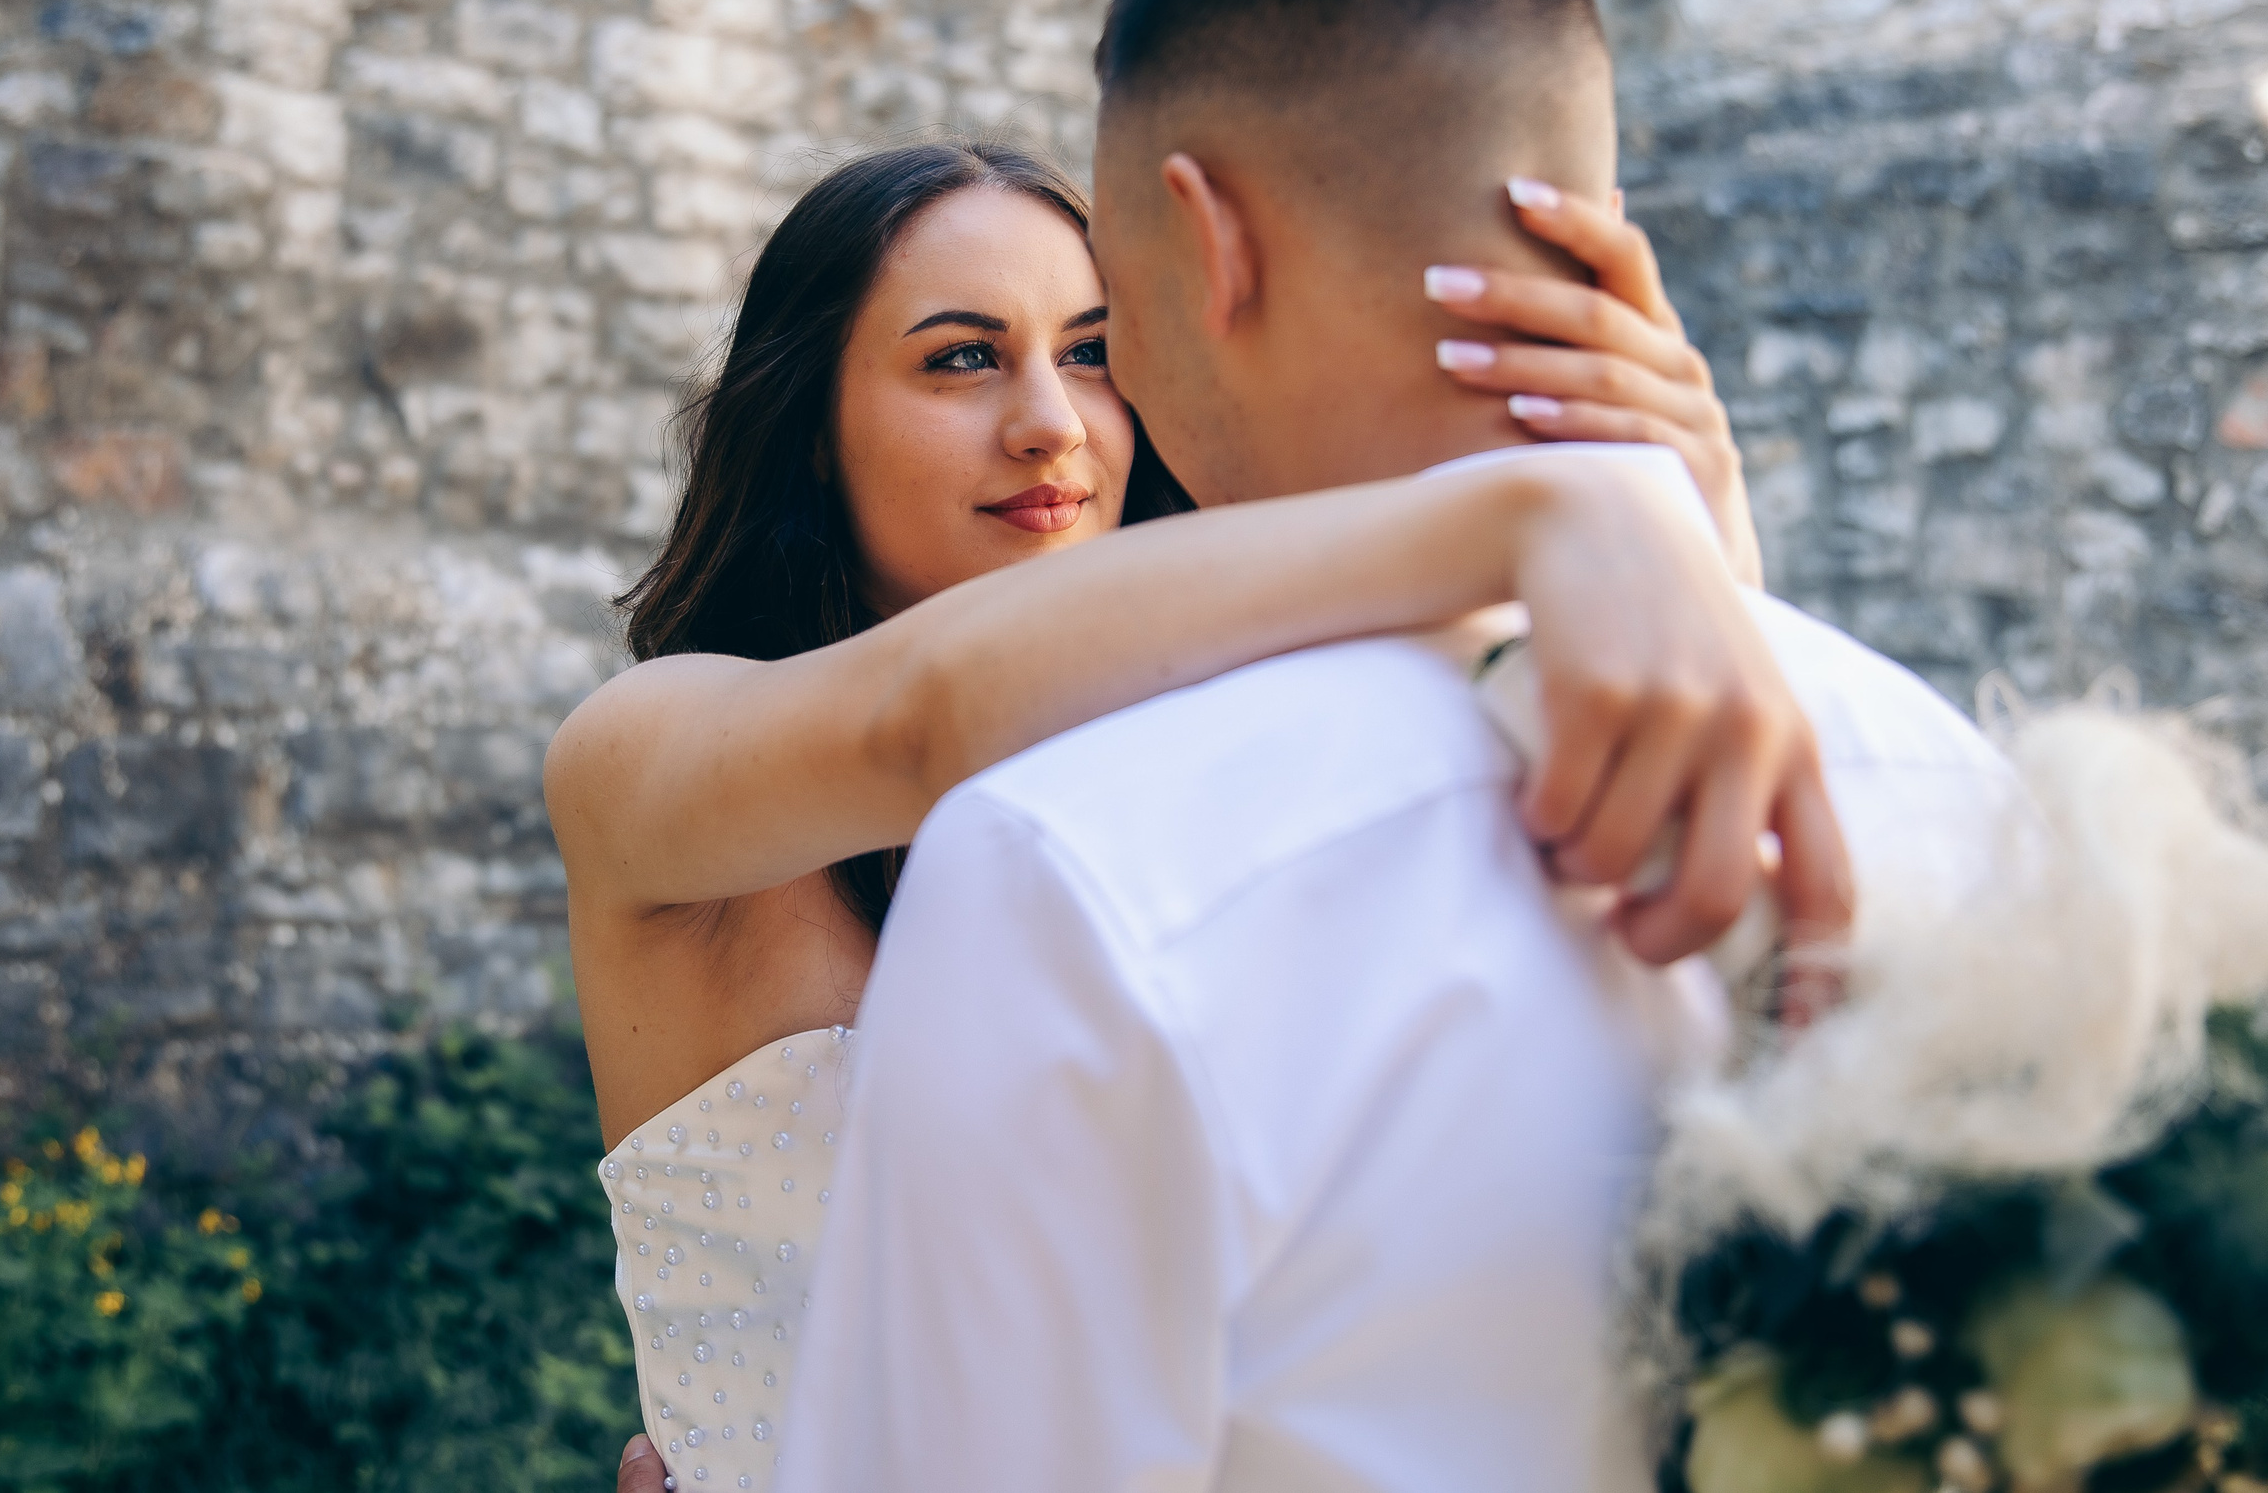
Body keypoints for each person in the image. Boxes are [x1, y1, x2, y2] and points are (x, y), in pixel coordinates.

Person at [776, 0, 2025, 1493]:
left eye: (1098, 327)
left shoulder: (1082, 874)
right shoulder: (1964, 794)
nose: (1082, 404)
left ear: (1208, 241)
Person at [551, 130, 1838, 1491]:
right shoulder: (644, 754)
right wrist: (1533, 515)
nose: (1050, 419)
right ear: (812, 430)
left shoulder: (1224, 762)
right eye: (963, 356)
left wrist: (1699, 556)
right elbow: (917, 718)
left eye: (1093, 350)